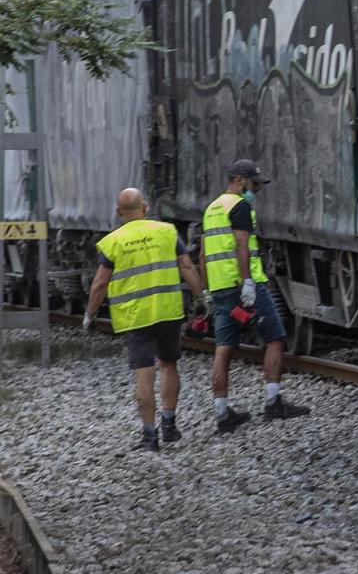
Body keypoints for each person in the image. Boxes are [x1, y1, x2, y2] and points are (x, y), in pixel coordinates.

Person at [83, 187, 204, 451]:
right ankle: (170, 424)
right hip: (168, 311)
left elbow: (99, 283)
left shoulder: (113, 241)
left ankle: (150, 436)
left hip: (135, 316)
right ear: (146, 207)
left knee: (144, 373)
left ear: (118, 212)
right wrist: (200, 297)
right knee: (169, 365)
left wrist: (90, 315)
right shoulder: (167, 232)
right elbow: (186, 266)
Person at [204, 159, 308, 421]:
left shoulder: (212, 208)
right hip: (243, 286)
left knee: (223, 347)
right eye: (254, 184)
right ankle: (273, 403)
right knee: (275, 338)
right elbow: (241, 245)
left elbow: (203, 253)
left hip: (220, 288)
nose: (257, 190)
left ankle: (221, 412)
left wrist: (207, 289)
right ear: (239, 180)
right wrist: (248, 282)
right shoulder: (239, 206)